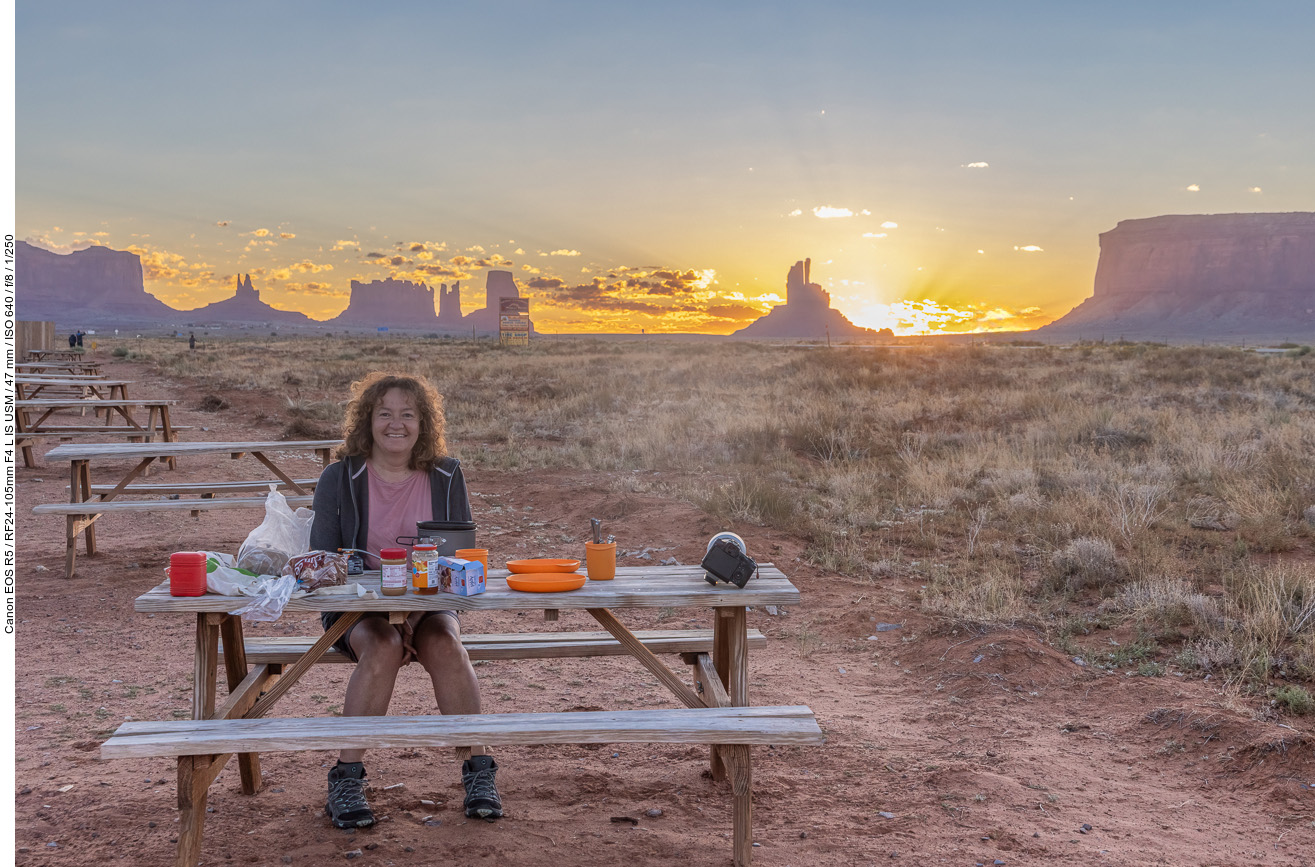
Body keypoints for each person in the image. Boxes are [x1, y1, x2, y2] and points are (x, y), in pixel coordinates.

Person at [309, 372, 502, 829]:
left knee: (446, 645)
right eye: (385, 415)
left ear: (423, 423)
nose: (396, 425)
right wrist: (389, 612)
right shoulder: (339, 478)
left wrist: (412, 613)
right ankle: (346, 778)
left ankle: (479, 772)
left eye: (408, 415)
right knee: (383, 645)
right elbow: (321, 562)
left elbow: (458, 556)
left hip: (431, 603)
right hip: (358, 608)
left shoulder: (447, 474)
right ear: (367, 421)